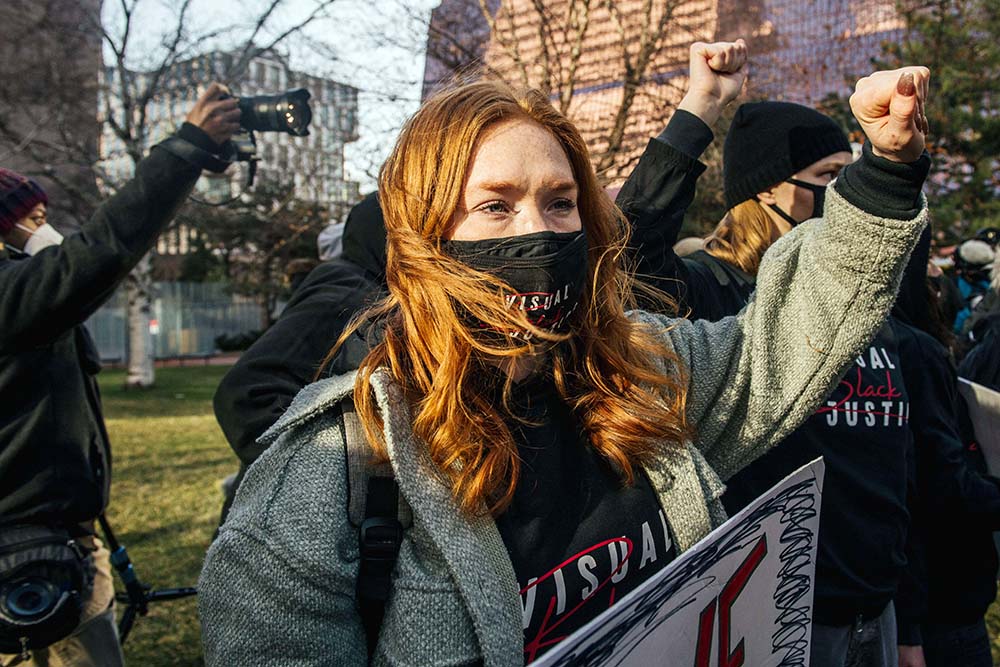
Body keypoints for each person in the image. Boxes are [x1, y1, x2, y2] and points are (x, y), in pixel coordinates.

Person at [199, 49, 932, 665]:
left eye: (559, 202)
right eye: (495, 205)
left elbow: (782, 341)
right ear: (425, 232)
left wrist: (886, 171)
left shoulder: (643, 373)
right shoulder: (329, 472)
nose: (540, 233)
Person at [615, 47, 1000, 667]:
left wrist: (909, 622)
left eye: (852, 177)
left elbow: (896, 477)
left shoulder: (860, 302)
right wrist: (698, 114)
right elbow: (624, 257)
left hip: (875, 616)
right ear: (765, 190)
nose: (842, 195)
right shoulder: (711, 294)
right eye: (827, 179)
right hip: (773, 617)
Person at [0, 84, 239, 667]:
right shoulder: (11, 298)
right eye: (31, 217)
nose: (44, 228)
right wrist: (188, 147)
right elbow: (105, 248)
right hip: (30, 557)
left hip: (53, 542)